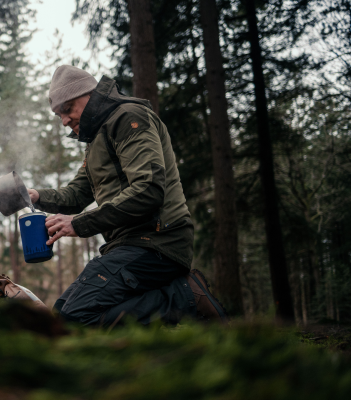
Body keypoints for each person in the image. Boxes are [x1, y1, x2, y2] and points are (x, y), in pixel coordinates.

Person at [28, 65, 227, 326]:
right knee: (62, 313)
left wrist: (78, 224)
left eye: (67, 109)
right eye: (58, 114)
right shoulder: (96, 139)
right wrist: (34, 196)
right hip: (126, 245)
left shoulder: (128, 118)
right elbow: (77, 194)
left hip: (158, 241)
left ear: (89, 94)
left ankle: (186, 297)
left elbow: (148, 190)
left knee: (73, 317)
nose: (64, 120)